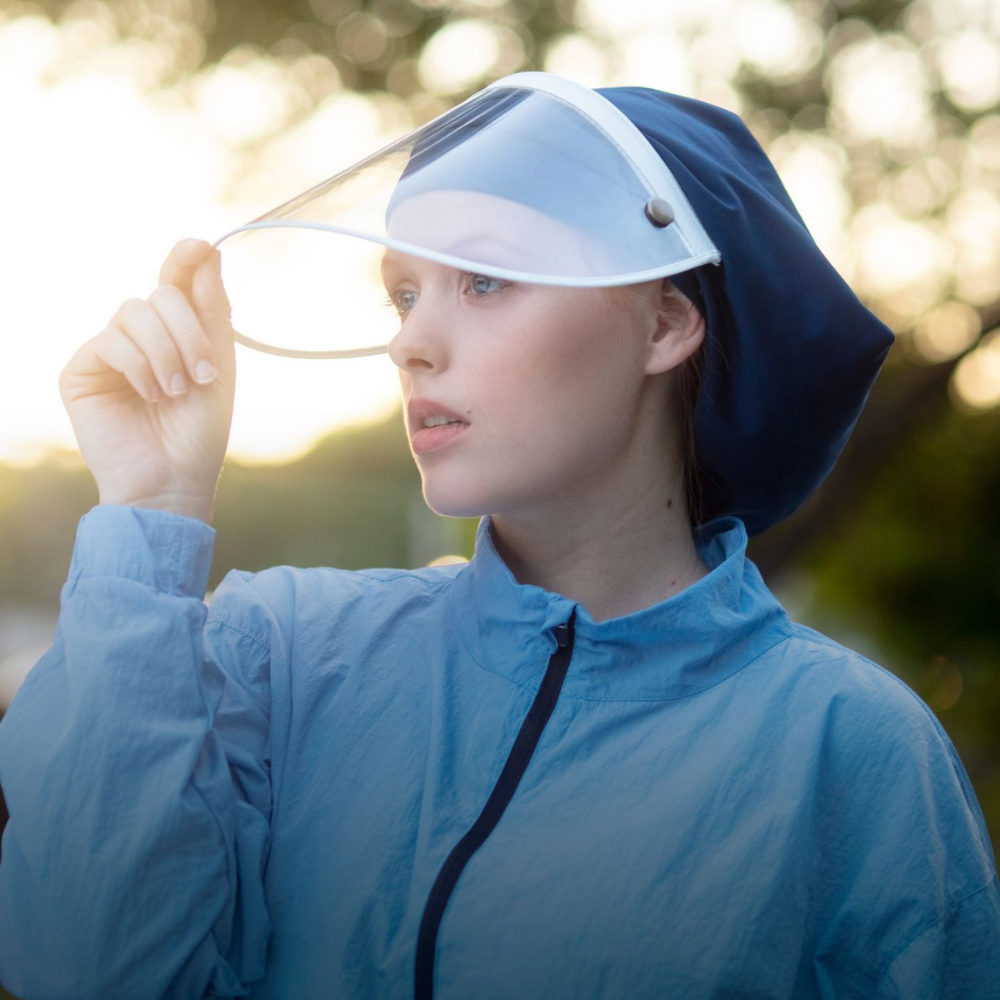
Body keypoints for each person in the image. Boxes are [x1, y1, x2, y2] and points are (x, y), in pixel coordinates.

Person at [0, 72, 997, 1000]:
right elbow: (92, 969)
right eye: (402, 292)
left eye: (482, 280)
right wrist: (153, 501)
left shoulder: (851, 749)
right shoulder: (281, 653)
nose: (409, 341)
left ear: (663, 324)